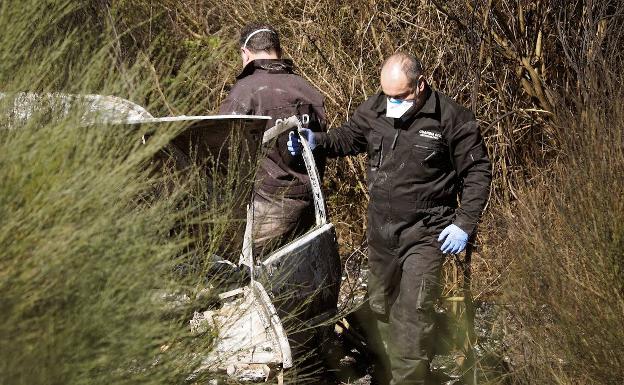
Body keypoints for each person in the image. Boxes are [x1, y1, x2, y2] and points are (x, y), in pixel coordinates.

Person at [288, 52, 492, 385]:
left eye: (399, 97)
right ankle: (389, 369)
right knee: (380, 307)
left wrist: (463, 224)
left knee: (412, 314)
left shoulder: (452, 118)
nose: (391, 103)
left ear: (420, 86)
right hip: (382, 232)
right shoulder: (377, 106)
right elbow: (349, 138)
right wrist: (317, 143)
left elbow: (477, 171)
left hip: (427, 233)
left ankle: (409, 377)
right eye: (387, 95)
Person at [219, 23, 327, 256]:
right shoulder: (308, 89)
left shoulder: (245, 91)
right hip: (311, 205)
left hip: (267, 209)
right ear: (278, 50)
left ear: (245, 53)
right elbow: (324, 145)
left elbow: (218, 150)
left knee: (231, 266)